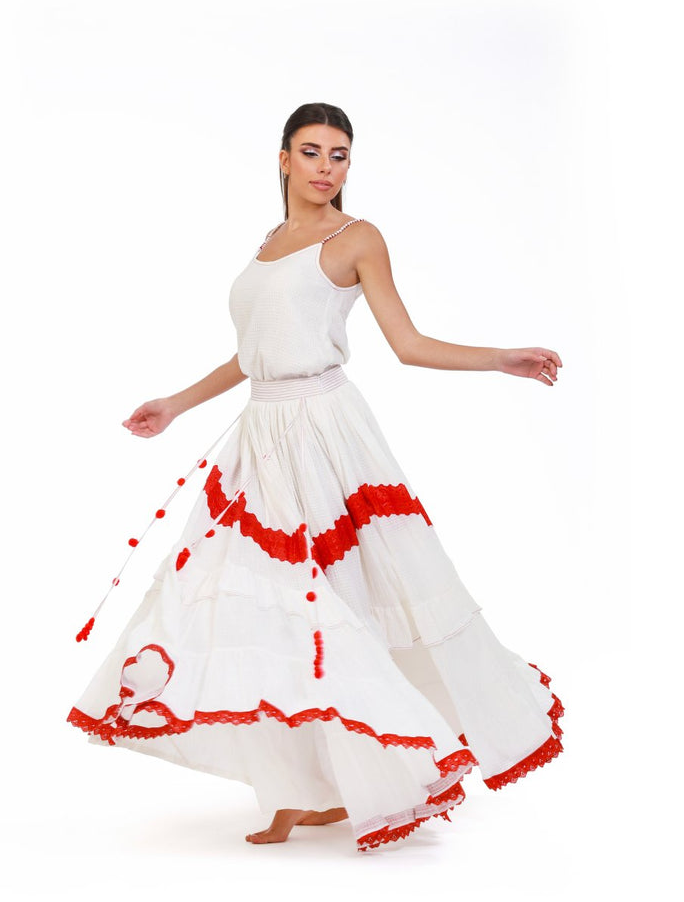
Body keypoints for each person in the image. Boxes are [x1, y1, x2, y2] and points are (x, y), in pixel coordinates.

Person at [67, 102, 564, 853]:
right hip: (262, 434)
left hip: (323, 432)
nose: (326, 167)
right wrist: (174, 404)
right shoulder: (269, 244)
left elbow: (408, 343)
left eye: (339, 154)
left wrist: (500, 358)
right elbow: (252, 353)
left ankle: (349, 782)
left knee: (329, 602)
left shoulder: (355, 238)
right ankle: (303, 788)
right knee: (262, 605)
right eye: (311, 151)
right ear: (283, 159)